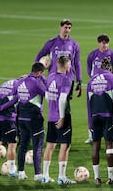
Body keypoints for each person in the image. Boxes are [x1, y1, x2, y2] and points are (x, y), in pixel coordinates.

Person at [42, 56, 76, 184]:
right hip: (62, 117)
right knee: (65, 146)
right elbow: (62, 99)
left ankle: (45, 176)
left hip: (51, 115)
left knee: (50, 145)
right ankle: (61, 177)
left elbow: (46, 96)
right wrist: (61, 117)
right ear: (66, 65)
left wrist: (52, 107)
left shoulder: (50, 77)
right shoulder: (66, 79)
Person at [87, 58, 113, 185]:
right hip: (108, 116)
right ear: (110, 68)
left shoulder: (92, 81)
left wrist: (89, 122)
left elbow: (88, 104)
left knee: (95, 145)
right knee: (109, 146)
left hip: (94, 116)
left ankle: (97, 178)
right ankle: (111, 178)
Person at [35, 19, 82, 98]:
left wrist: (79, 80)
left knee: (66, 104)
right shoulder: (52, 42)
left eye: (69, 28)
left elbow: (77, 63)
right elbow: (38, 57)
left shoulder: (74, 44)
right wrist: (37, 72)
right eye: (65, 27)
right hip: (54, 77)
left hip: (68, 78)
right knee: (54, 100)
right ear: (60, 27)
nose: (67, 30)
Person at [85, 34, 113, 144]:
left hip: (107, 85)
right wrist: (94, 80)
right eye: (102, 42)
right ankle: (91, 134)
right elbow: (89, 69)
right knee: (92, 108)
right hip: (96, 85)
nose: (104, 45)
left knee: (110, 107)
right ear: (99, 43)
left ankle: (111, 135)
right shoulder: (92, 55)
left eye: (106, 42)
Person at [16, 62, 46, 181]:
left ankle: (21, 172)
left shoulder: (20, 81)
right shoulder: (36, 82)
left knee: (23, 146)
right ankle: (38, 174)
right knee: (37, 146)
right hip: (34, 119)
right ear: (39, 73)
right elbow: (47, 92)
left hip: (21, 118)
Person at [0, 78, 19, 177]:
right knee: (12, 145)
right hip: (8, 119)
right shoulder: (20, 85)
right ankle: (11, 171)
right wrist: (0, 108)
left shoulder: (4, 84)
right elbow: (14, 100)